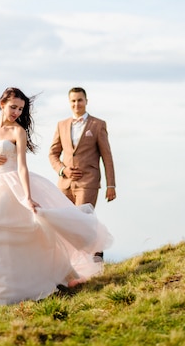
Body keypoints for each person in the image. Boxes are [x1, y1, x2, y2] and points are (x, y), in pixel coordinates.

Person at [0, 87, 113, 306]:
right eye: (13, 107)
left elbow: (22, 168)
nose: (16, 112)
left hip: (12, 185)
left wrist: (27, 196)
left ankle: (41, 280)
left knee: (23, 232)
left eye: (20, 109)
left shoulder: (18, 131)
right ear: (2, 104)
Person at [49, 87, 116, 262]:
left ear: (86, 101)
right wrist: (63, 170)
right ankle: (72, 261)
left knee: (82, 219)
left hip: (88, 182)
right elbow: (53, 154)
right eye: (73, 101)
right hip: (65, 184)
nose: (76, 104)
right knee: (65, 221)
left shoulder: (97, 124)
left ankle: (95, 255)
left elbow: (107, 157)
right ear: (69, 102)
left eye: (80, 100)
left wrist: (111, 185)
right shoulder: (61, 125)